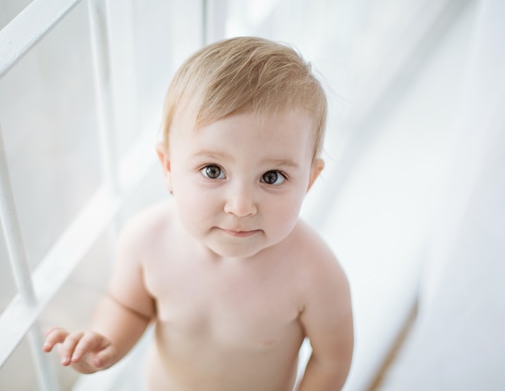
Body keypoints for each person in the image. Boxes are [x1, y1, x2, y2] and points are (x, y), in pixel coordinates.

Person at [43, 36, 354, 391]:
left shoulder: (313, 273)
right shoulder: (147, 240)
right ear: (169, 166)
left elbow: (332, 358)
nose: (240, 206)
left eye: (272, 177)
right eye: (213, 171)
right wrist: (105, 343)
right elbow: (129, 306)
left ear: (310, 180)